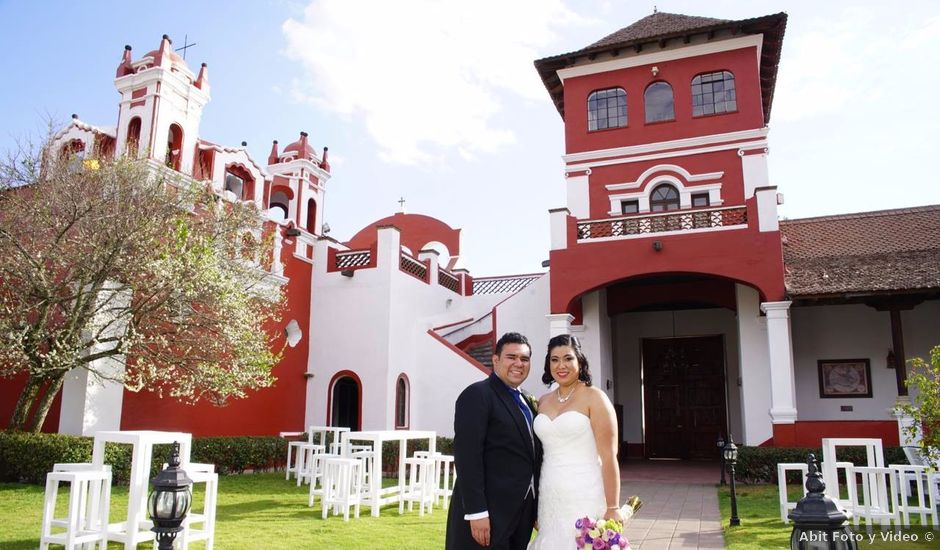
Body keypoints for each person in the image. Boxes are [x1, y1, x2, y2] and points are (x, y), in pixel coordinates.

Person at [446, 332, 542, 550]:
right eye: (511, 357)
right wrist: (476, 512)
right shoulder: (477, 395)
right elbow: (467, 458)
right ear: (496, 360)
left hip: (521, 514)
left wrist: (535, 508)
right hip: (487, 515)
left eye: (524, 359)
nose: (519, 363)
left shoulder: (527, 400)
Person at [528, 334, 624, 549]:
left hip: (585, 491)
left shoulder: (595, 398)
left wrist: (613, 506)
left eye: (568, 358)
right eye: (554, 359)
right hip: (550, 492)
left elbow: (609, 457)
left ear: (580, 361)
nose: (561, 365)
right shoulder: (543, 401)